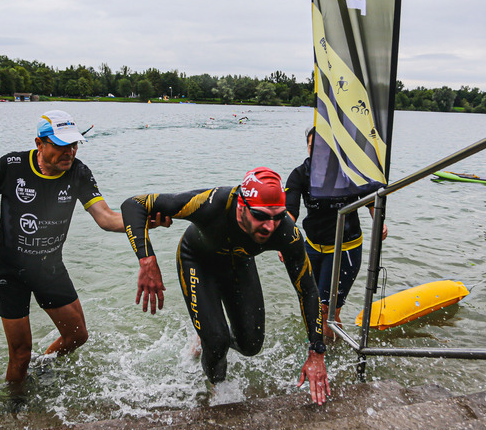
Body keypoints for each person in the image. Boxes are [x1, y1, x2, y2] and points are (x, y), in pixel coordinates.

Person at [0, 111, 165, 384]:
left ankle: (44, 365)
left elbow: (106, 218)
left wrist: (144, 224)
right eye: (60, 145)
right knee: (20, 354)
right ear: (40, 143)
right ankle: (14, 407)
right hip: (11, 269)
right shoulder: (12, 165)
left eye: (74, 144)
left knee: (78, 336)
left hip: (50, 267)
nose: (69, 152)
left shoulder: (79, 173)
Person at [121, 167, 330, 405]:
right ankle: (216, 386)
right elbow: (134, 204)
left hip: (238, 264)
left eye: (278, 216)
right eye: (261, 216)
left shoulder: (285, 232)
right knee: (217, 342)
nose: (270, 226)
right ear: (242, 207)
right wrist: (147, 261)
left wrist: (316, 353)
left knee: (251, 345)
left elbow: (308, 289)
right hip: (197, 261)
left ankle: (208, 336)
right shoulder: (211, 203)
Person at [285, 128, 387, 340]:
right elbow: (290, 213)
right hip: (312, 247)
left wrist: (379, 221)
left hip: (344, 249)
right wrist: (284, 240)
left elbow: (371, 199)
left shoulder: (348, 173)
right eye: (314, 147)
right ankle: (323, 348)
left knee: (327, 310)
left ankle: (328, 355)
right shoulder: (300, 174)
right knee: (311, 304)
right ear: (308, 147)